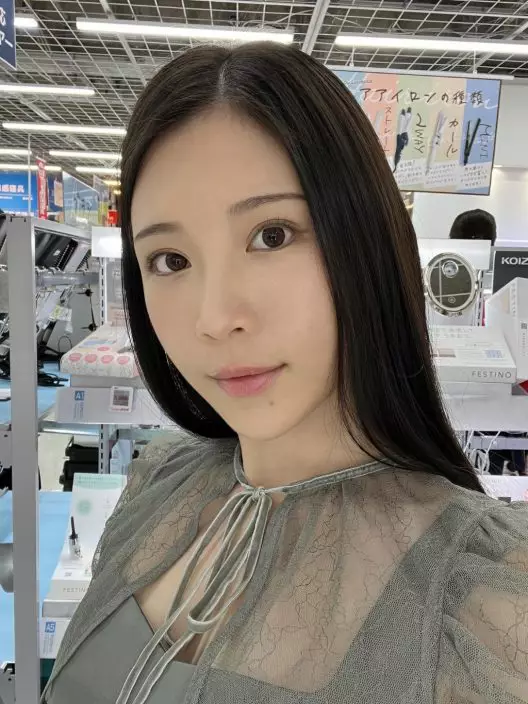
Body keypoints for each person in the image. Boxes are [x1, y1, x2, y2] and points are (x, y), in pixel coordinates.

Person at [42, 43, 528, 704]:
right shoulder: (157, 485)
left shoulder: (482, 592)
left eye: (271, 235)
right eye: (170, 260)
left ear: (364, 240)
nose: (215, 318)